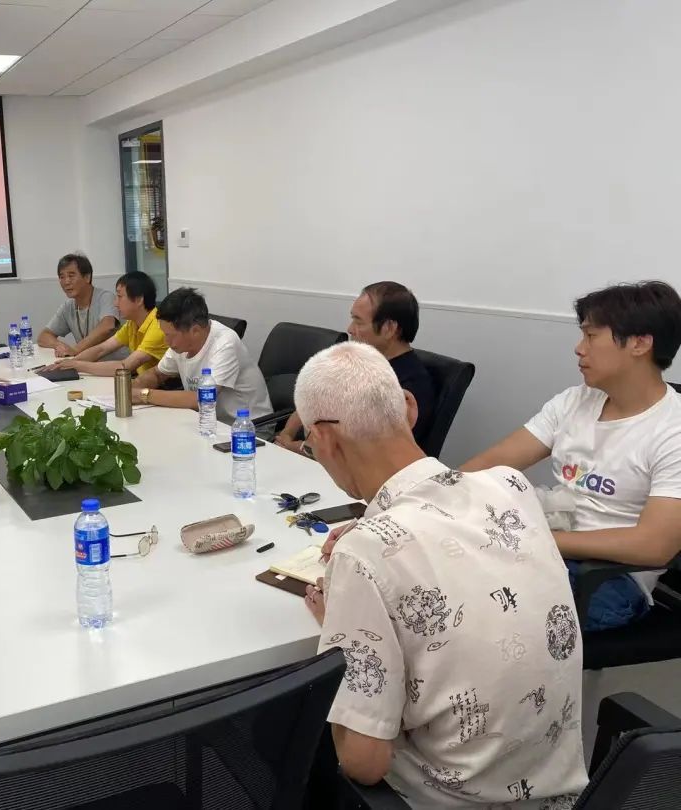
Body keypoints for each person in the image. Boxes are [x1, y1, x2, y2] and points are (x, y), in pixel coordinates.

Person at [296, 341, 586, 808]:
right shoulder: (511, 486)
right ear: (408, 408)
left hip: (446, 802)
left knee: (283, 740)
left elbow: (364, 764)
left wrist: (339, 629)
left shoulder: (362, 553)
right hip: (559, 798)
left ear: (324, 439)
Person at [463, 281, 681, 631]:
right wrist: (431, 497)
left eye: (591, 336)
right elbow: (488, 465)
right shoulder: (574, 402)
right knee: (436, 574)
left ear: (640, 344)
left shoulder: (673, 430)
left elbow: (653, 546)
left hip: (609, 580)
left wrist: (534, 539)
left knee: (467, 608)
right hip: (551, 549)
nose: (579, 349)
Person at [275, 282, 437, 453]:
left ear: (389, 328)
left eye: (358, 322)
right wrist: (286, 434)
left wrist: (297, 447)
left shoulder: (408, 388)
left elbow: (363, 452)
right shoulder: (358, 363)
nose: (350, 329)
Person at [130, 287, 272, 420]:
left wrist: (143, 395)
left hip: (248, 428)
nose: (166, 341)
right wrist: (133, 388)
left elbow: (202, 399)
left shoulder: (226, 343)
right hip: (207, 422)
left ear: (195, 331)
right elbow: (157, 374)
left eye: (170, 335)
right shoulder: (180, 345)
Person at [45, 271, 167, 376]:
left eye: (120, 297)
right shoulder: (132, 323)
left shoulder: (158, 325)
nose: (115, 303)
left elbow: (124, 366)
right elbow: (102, 349)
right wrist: (70, 363)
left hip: (163, 388)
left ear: (139, 300)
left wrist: (77, 365)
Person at [37, 253, 120, 358]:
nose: (66, 282)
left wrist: (75, 349)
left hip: (116, 365)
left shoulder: (105, 297)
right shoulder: (68, 307)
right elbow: (43, 336)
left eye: (71, 276)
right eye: (62, 277)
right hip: (86, 365)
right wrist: (59, 346)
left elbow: (107, 326)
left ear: (87, 277)